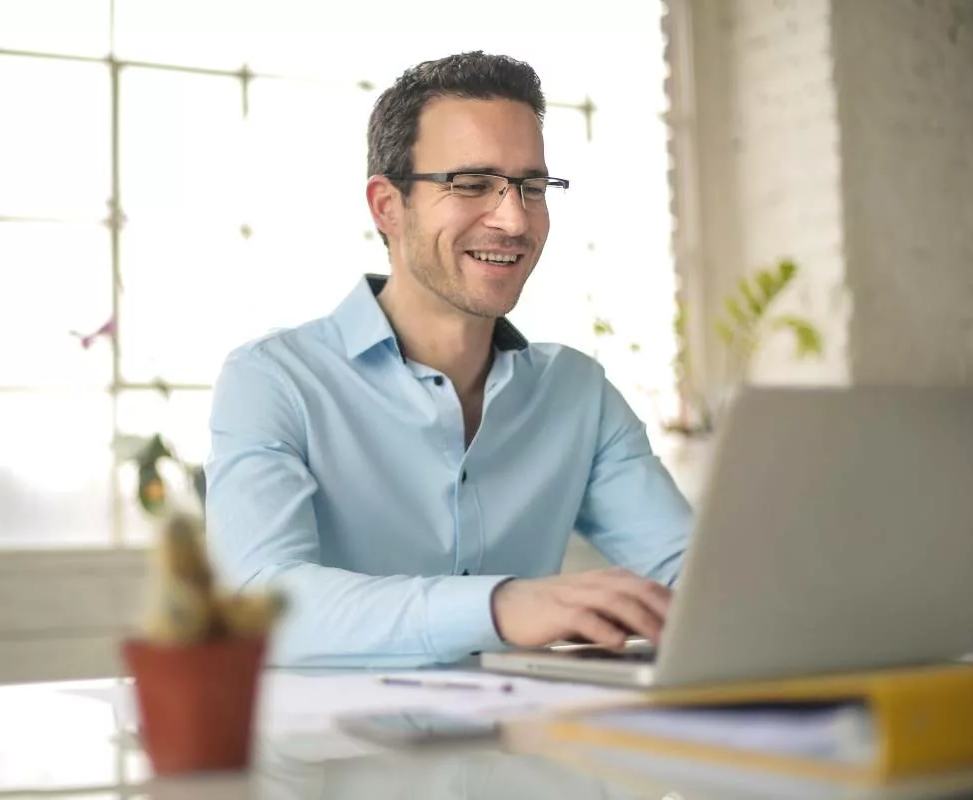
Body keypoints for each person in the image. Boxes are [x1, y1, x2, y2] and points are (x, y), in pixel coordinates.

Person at [205, 51, 692, 667]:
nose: (513, 218)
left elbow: (691, 575)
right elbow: (263, 605)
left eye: (532, 187)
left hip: (520, 752)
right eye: (471, 184)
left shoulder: (578, 392)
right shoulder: (274, 381)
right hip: (334, 757)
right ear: (387, 205)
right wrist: (499, 606)